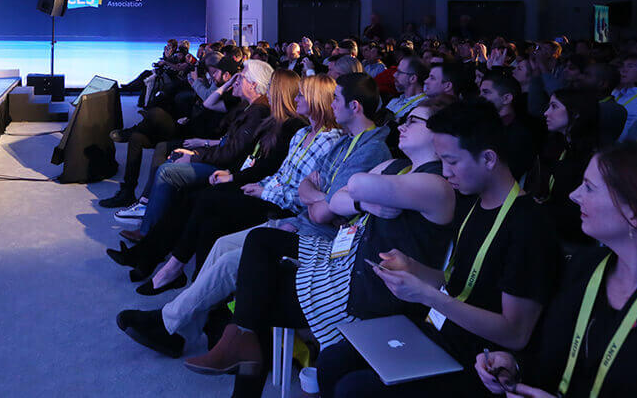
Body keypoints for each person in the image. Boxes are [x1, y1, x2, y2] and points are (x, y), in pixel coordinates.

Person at [181, 98, 457, 397]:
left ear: (440, 133)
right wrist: (362, 202)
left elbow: (355, 184)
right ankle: (240, 341)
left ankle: (239, 348)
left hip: (364, 294)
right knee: (261, 243)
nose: (402, 125)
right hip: (343, 264)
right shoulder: (398, 166)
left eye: (413, 121)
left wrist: (353, 195)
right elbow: (336, 199)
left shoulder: (436, 184)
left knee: (256, 301)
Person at [318, 100, 561, 397]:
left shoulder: (528, 226)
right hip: (441, 335)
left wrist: (425, 295)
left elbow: (515, 333)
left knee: (355, 389)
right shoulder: (473, 204)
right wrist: (412, 268)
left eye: (452, 161)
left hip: (480, 362)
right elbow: (457, 281)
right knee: (333, 359)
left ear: (488, 158)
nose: (446, 172)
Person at [116, 74, 345, 357]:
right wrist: (256, 184)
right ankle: (183, 315)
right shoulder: (298, 132)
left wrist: (256, 187)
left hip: (283, 209)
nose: (296, 98)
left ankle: (171, 283)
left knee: (203, 200)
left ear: (316, 100)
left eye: (302, 95)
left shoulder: (323, 140)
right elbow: (279, 175)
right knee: (208, 216)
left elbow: (303, 192)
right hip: (266, 192)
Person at [476, 144, 637, 398]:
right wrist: (515, 368)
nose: (574, 195)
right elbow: (556, 358)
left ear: (635, 212)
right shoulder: (585, 266)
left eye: (589, 187)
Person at [111, 69, 307, 293]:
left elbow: (265, 166)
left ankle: (164, 266)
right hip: (244, 177)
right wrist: (227, 170)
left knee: (197, 198)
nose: (268, 91)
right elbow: (244, 154)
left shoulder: (285, 124)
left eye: (271, 87)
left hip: (259, 189)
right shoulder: (270, 119)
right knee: (190, 198)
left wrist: (230, 175)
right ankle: (151, 259)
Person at [128, 59, 274, 248]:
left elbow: (230, 153)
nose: (237, 80)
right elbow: (216, 122)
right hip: (219, 157)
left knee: (166, 171)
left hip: (225, 169)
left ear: (253, 84)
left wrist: (194, 155)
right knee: (171, 156)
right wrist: (195, 152)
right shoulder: (246, 105)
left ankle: (147, 233)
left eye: (241, 77)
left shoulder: (257, 112)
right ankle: (154, 224)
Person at [102, 55, 240, 213]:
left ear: (227, 75)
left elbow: (208, 104)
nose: (212, 76)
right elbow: (202, 108)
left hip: (193, 138)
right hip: (186, 129)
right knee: (136, 138)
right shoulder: (214, 87)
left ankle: (145, 199)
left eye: (215, 73)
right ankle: (128, 191)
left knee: (156, 114)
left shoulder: (230, 99)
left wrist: (224, 84)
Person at [528, 89, 601, 247]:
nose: (546, 113)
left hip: (571, 238)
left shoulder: (592, 157)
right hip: (544, 229)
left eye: (554, 107)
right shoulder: (553, 144)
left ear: (576, 113)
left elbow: (577, 207)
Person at [478, 72, 542, 181]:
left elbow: (510, 174)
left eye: (486, 92)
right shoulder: (487, 125)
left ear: (506, 98)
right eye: (480, 92)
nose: (480, 97)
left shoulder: (520, 134)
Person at [385, 56, 429, 120]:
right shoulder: (395, 100)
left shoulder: (421, 107)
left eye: (399, 72)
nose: (394, 75)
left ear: (413, 78)